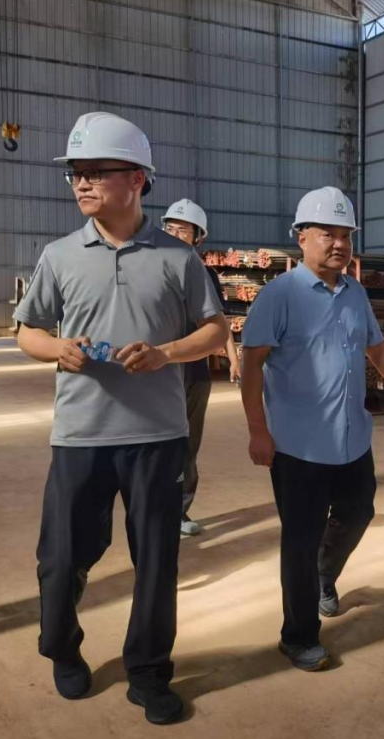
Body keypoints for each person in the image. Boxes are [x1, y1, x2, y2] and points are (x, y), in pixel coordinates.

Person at [13, 112, 228, 725]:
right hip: (80, 435)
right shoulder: (59, 256)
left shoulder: (177, 259)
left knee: (157, 560)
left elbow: (215, 330)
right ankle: (62, 649)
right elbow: (27, 331)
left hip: (157, 438)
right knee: (61, 557)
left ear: (136, 179)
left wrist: (166, 353)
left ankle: (149, 671)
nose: (80, 183)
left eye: (94, 172)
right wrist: (58, 349)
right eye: (75, 174)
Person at [240, 187, 384, 672]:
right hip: (298, 447)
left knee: (358, 512)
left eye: (346, 235)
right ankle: (298, 636)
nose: (340, 244)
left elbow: (378, 349)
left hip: (351, 439)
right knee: (299, 542)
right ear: (301, 237)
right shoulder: (279, 296)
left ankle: (324, 575)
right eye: (328, 234)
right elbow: (252, 365)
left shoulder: (355, 293)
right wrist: (258, 429)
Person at [160, 198, 241, 537]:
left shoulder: (205, 275)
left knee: (187, 444)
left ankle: (178, 511)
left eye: (184, 231)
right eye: (171, 229)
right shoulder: (148, 270)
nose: (176, 235)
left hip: (194, 372)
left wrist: (233, 358)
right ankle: (153, 510)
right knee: (156, 443)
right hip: (158, 371)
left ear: (198, 237)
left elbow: (217, 322)